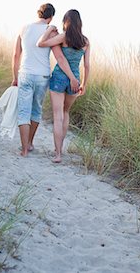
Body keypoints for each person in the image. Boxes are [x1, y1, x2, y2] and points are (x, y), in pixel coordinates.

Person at [11, 3, 80, 157]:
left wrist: (15, 77)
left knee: (23, 112)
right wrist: (72, 77)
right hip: (42, 76)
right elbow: (60, 58)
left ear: (39, 14)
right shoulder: (52, 32)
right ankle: (29, 144)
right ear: (51, 17)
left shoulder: (24, 28)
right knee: (36, 111)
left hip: (25, 74)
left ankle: (23, 150)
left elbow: (16, 55)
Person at [36, 9, 90, 163]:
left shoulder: (63, 37)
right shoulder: (85, 41)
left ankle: (58, 153)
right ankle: (60, 149)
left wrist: (49, 30)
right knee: (66, 112)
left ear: (66, 22)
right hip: (75, 80)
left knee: (57, 116)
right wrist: (84, 84)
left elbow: (41, 43)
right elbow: (87, 66)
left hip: (59, 77)